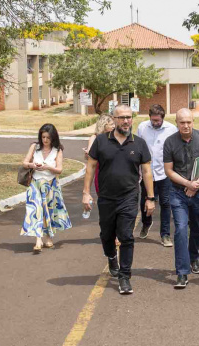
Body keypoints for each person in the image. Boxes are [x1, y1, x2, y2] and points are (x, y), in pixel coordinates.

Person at [82, 104, 155, 295]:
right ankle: (111, 255)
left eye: (128, 117)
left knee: (126, 236)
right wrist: (86, 192)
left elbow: (147, 171)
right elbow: (90, 167)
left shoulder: (139, 143)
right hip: (106, 197)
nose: (125, 121)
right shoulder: (100, 141)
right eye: (121, 117)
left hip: (129, 197)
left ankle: (125, 276)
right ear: (114, 120)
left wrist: (150, 197)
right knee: (107, 235)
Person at [162, 108, 199, 289]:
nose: (185, 125)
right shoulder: (170, 142)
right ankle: (182, 272)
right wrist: (187, 184)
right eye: (182, 122)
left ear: (193, 121)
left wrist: (197, 184)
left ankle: (194, 258)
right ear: (177, 123)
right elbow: (168, 170)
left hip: (198, 192)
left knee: (196, 228)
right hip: (178, 193)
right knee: (180, 230)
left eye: (188, 122)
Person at [21, 124, 72, 252]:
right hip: (35, 183)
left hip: (50, 185)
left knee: (48, 211)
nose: (45, 140)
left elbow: (59, 169)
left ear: (53, 138)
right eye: (43, 137)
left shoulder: (57, 150)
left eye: (48, 137)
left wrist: (47, 167)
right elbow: (24, 163)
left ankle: (49, 237)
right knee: (36, 210)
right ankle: (38, 240)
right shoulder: (35, 147)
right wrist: (33, 165)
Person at [136, 104, 178, 245]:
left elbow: (175, 151)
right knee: (144, 202)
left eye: (158, 121)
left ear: (163, 118)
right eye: (153, 120)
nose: (155, 123)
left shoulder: (172, 129)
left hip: (164, 173)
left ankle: (165, 234)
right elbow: (137, 149)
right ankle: (146, 223)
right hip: (146, 173)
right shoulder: (142, 127)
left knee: (166, 203)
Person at [85, 114, 115, 195]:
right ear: (104, 125)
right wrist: (88, 152)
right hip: (101, 171)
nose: (114, 126)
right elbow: (89, 155)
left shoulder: (115, 137)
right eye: (111, 124)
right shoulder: (95, 138)